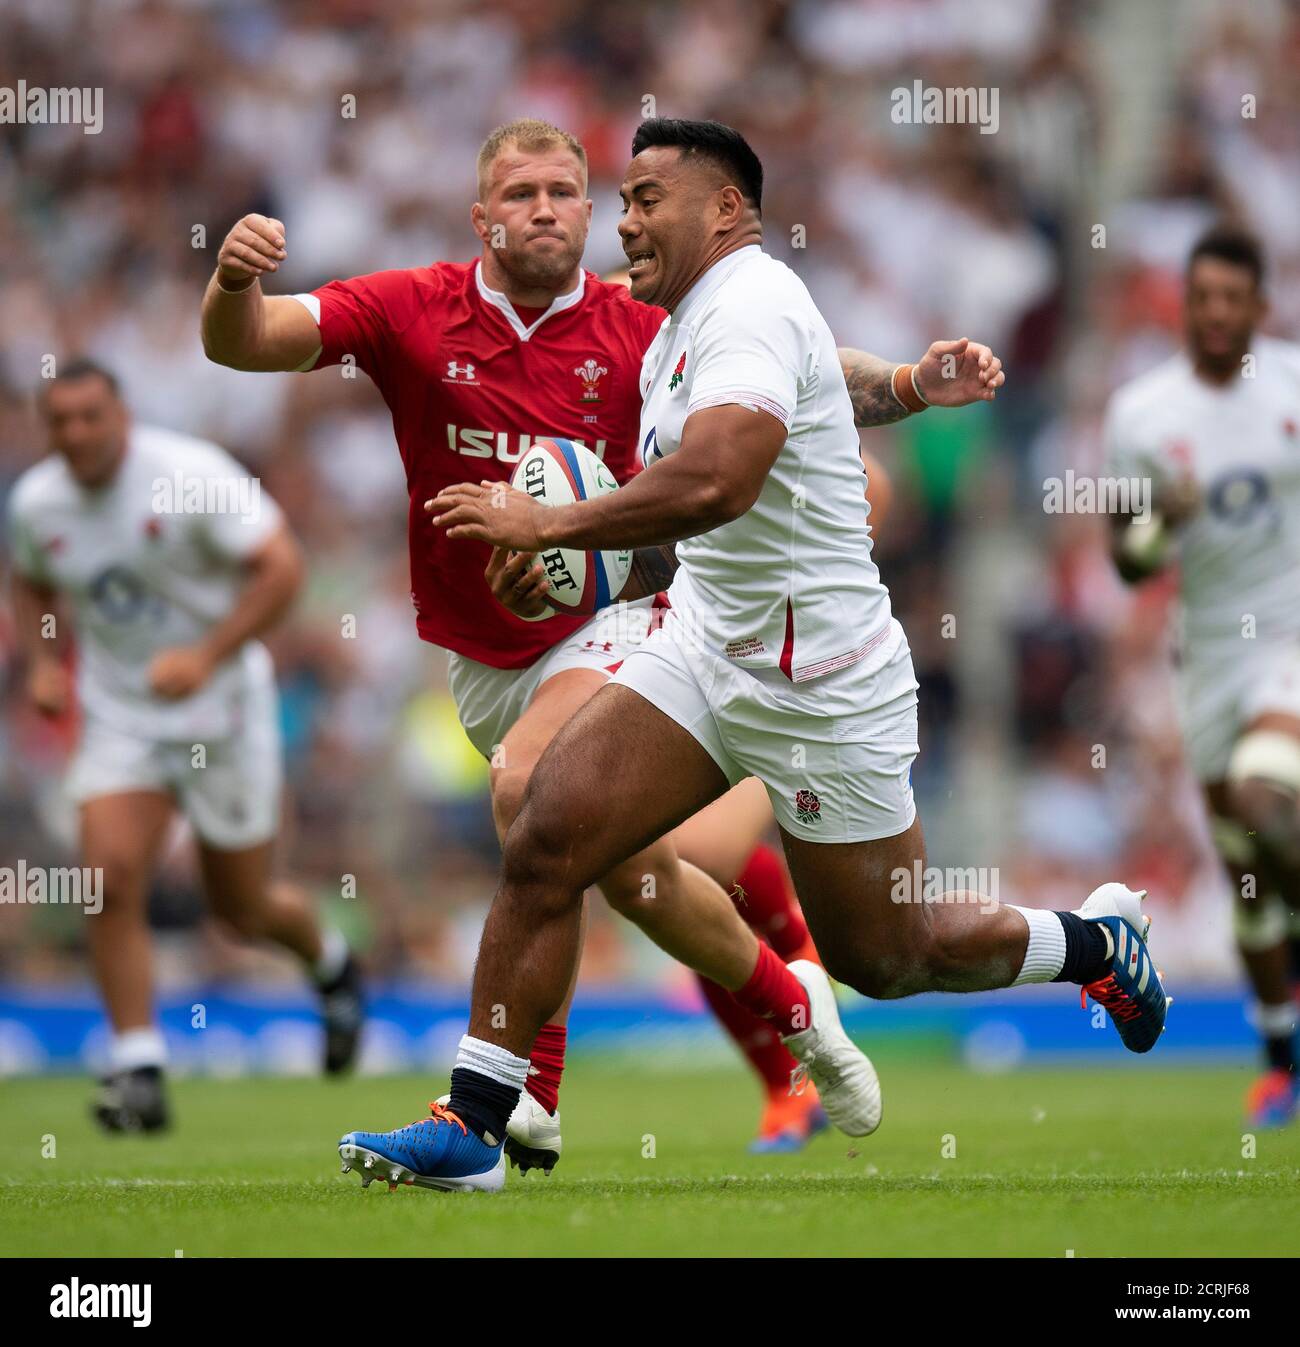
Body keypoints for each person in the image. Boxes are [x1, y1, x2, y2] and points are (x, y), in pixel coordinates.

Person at [344, 118, 1168, 1193]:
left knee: (889, 954)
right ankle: (478, 1121)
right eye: (626, 200)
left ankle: (1097, 944)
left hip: (819, 682)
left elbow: (718, 482)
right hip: (705, 647)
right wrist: (577, 571)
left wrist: (548, 529)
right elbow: (685, 534)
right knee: (545, 832)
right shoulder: (678, 324)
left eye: (646, 200)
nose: (624, 220)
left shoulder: (751, 307)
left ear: (725, 209)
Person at [202, 116, 1004, 1174]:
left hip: (622, 619)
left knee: (531, 795)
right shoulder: (409, 307)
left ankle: (509, 1103)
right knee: (618, 868)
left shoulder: (639, 317)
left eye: (568, 193)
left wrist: (903, 385)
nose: (549, 209)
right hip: (481, 653)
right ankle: (792, 1002)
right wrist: (230, 284)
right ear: (481, 215)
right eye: (521, 192)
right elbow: (246, 343)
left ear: (588, 214)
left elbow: (799, 367)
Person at [7, 360, 363, 1132]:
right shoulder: (38, 502)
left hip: (223, 709)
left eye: (88, 418)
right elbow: (32, 580)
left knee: (239, 907)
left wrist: (205, 655)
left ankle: (330, 962)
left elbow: (283, 569)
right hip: (122, 714)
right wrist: (43, 659)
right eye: (59, 421)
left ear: (122, 416)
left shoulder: (190, 474)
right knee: (106, 877)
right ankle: (138, 1065)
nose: (74, 434)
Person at [1104, 226, 1300, 1128]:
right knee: (1248, 872)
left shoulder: (1292, 384)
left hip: (1290, 639)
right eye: (1204, 298)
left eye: (1235, 299)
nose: (1218, 314)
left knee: (1269, 801)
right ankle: (1277, 1056)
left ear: (1260, 307)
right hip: (1211, 652)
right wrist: (1158, 523)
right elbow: (1128, 560)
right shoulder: (1144, 414)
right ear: (1186, 305)